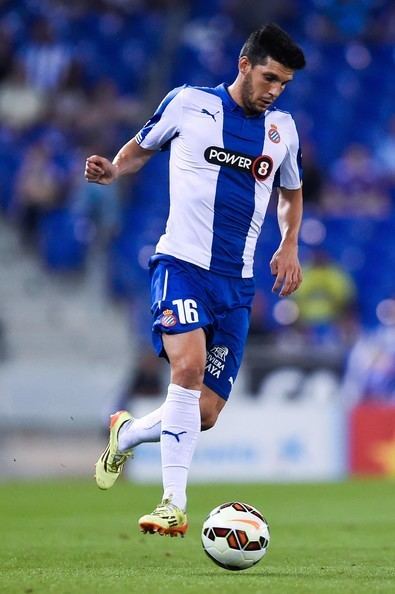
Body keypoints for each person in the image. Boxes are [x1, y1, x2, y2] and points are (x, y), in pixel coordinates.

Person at [85, 23, 305, 537]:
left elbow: (290, 193)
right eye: (270, 77)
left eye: (284, 84)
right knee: (186, 367)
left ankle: (128, 433)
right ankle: (172, 504)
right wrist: (114, 172)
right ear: (244, 64)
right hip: (181, 264)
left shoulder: (283, 131)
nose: (275, 90)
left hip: (237, 285)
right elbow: (140, 147)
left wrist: (290, 242)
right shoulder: (187, 104)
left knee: (204, 413)